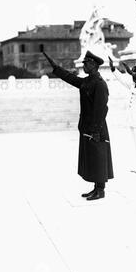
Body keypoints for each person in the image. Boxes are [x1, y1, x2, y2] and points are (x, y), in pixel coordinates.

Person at [43, 51, 113, 200]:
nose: (84, 66)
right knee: (92, 158)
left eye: (86, 63)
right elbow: (71, 78)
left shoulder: (100, 84)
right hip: (87, 127)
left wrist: (95, 130)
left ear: (94, 65)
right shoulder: (87, 81)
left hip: (96, 128)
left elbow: (101, 109)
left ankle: (100, 190)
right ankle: (95, 188)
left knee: (98, 157)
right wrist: (56, 68)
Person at [109, 58, 136, 173]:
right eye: (135, 74)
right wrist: (114, 69)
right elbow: (122, 80)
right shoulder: (132, 85)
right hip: (132, 120)